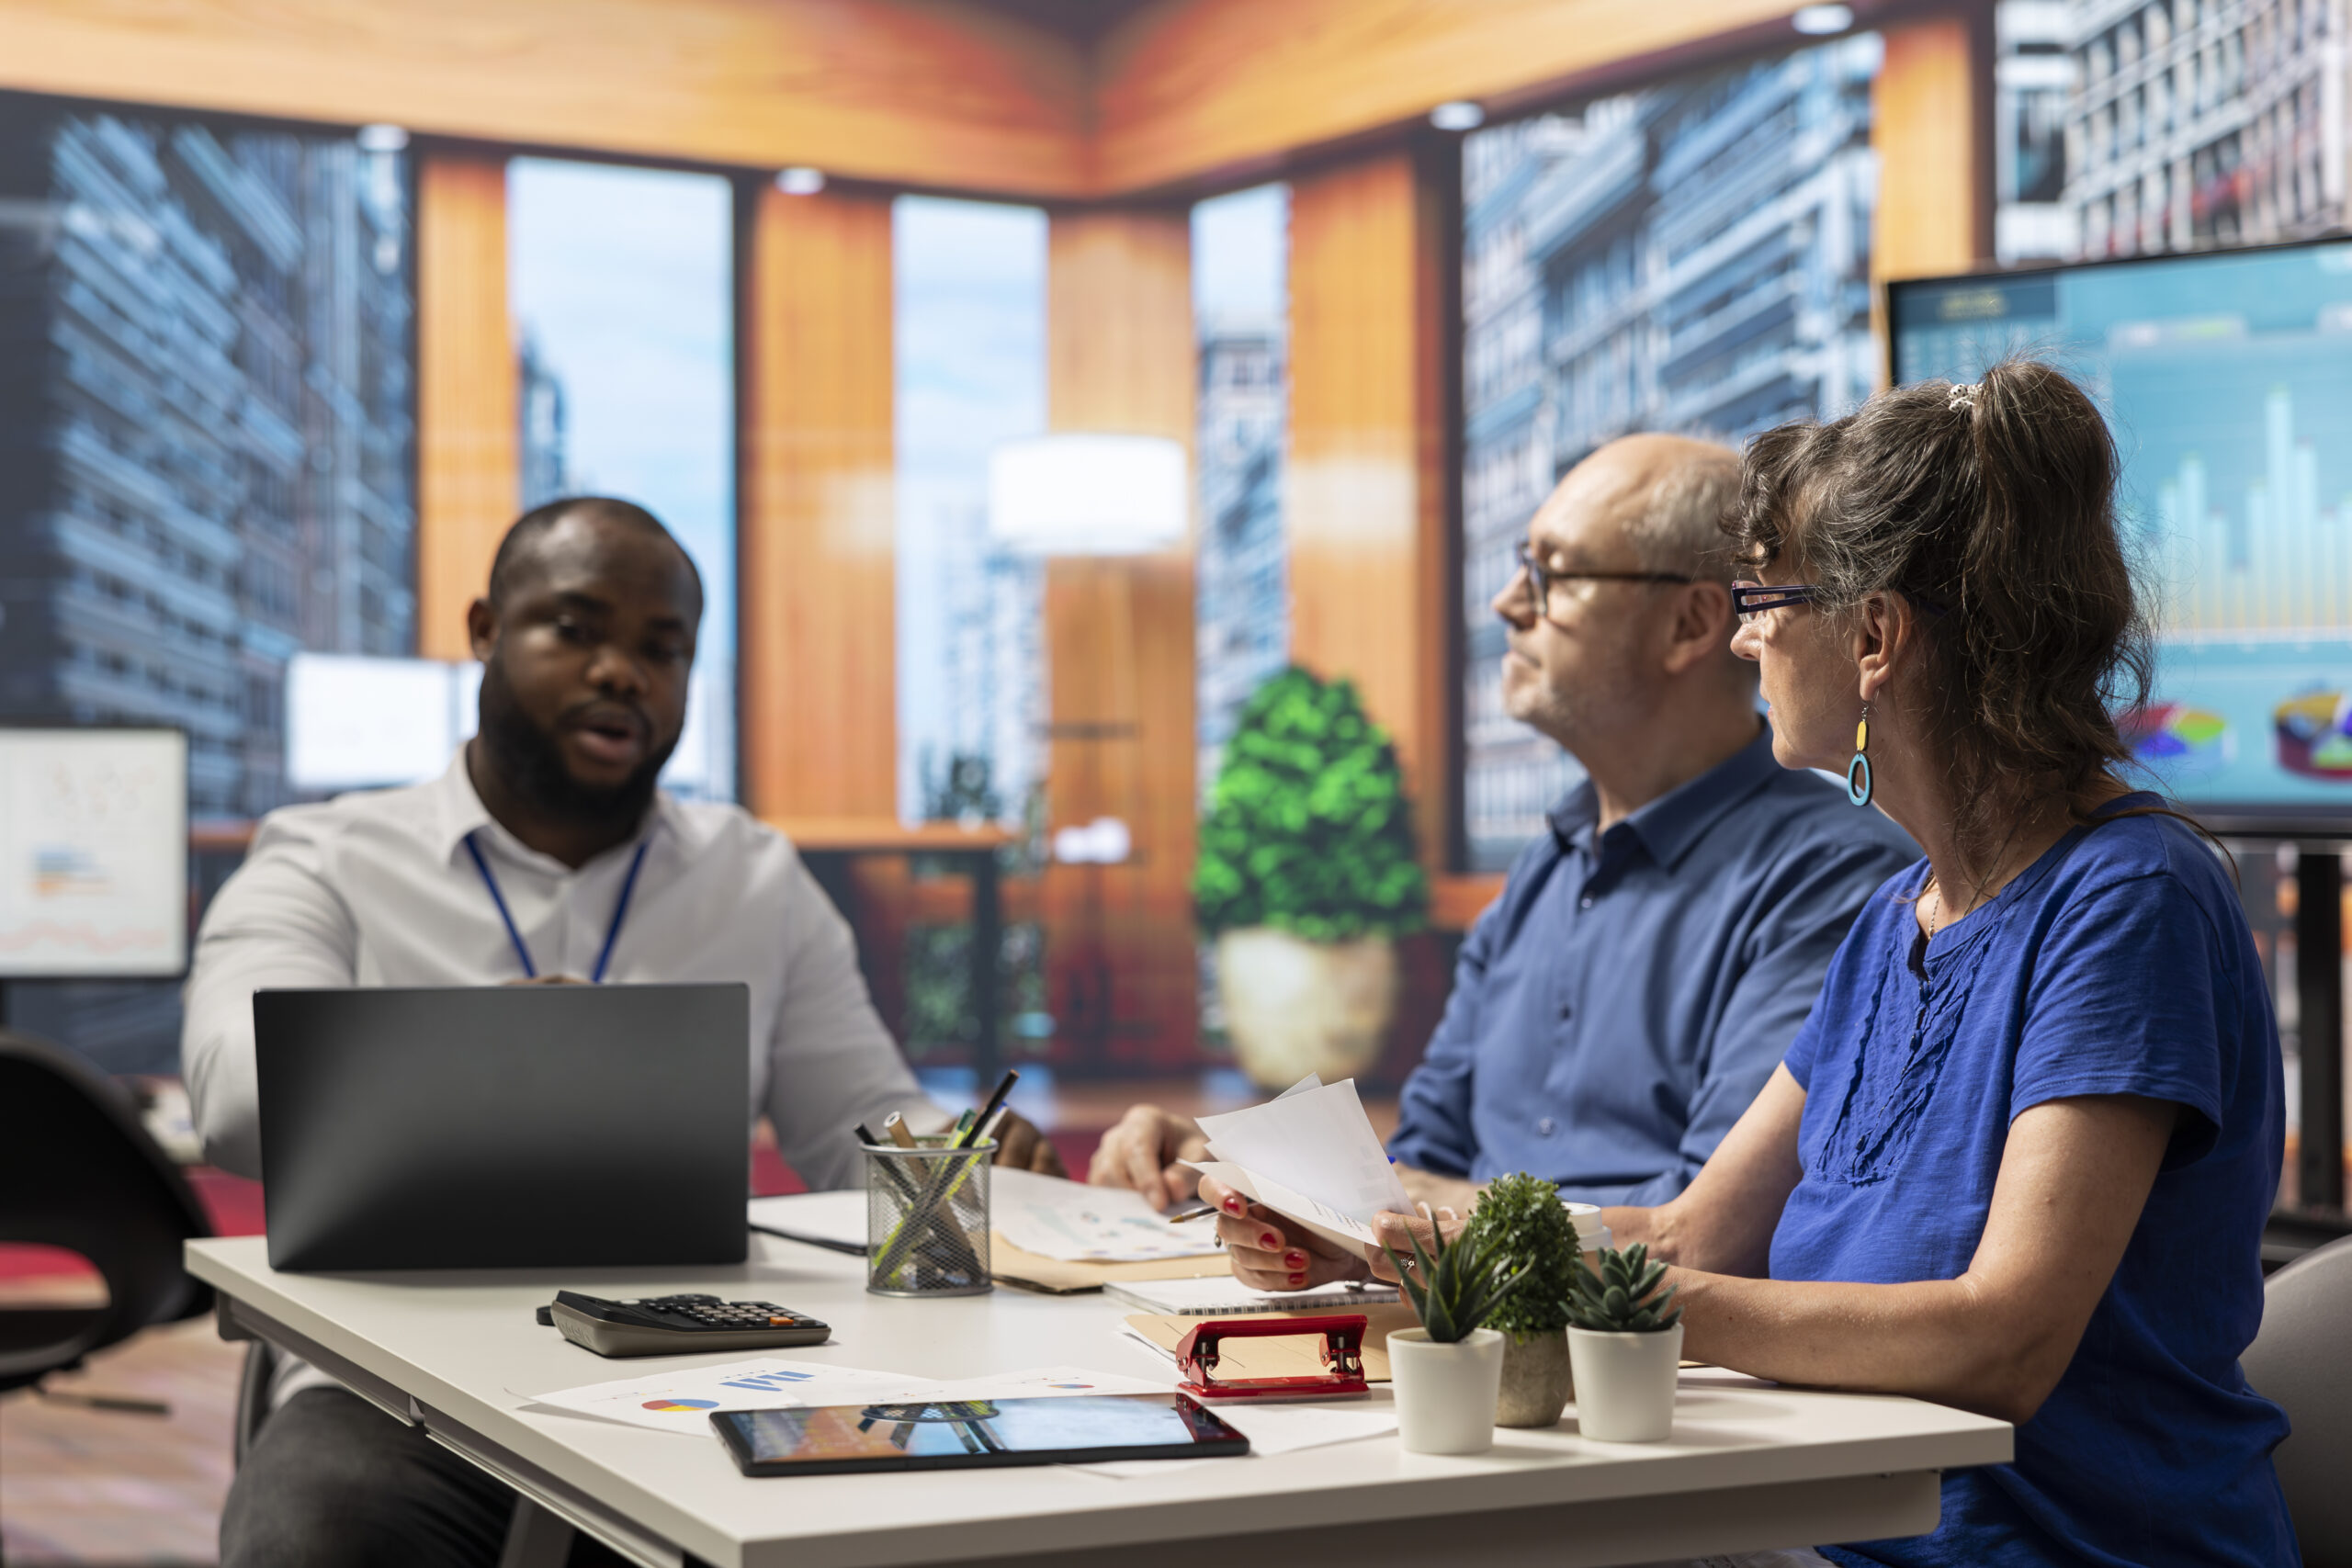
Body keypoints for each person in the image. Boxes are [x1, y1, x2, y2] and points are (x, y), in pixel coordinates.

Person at [1215, 361, 2294, 1566]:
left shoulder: (2131, 901)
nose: (1744, 634)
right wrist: (1386, 1245)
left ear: (1875, 635)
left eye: (1767, 600)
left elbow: (2002, 1339)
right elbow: (1685, 1239)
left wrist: (1648, 1315)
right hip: (1825, 1531)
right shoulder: (1899, 918)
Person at [186, 496, 1062, 1568]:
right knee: (316, 1535)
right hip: (394, 1380)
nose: (621, 672)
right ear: (482, 632)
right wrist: (481, 1056)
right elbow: (232, 1103)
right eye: (575, 628)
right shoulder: (324, 856)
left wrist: (956, 1151)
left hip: (702, 1361)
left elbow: (858, 1121)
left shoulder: (753, 877)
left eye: (663, 648)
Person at [1092, 434, 1917, 1254]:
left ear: (1692, 623)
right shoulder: (1547, 865)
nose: (1507, 602)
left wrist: (1413, 1208)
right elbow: (1424, 1155)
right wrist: (1232, 1164)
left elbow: (1708, 1223)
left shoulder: (1833, 877)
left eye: (1552, 574)